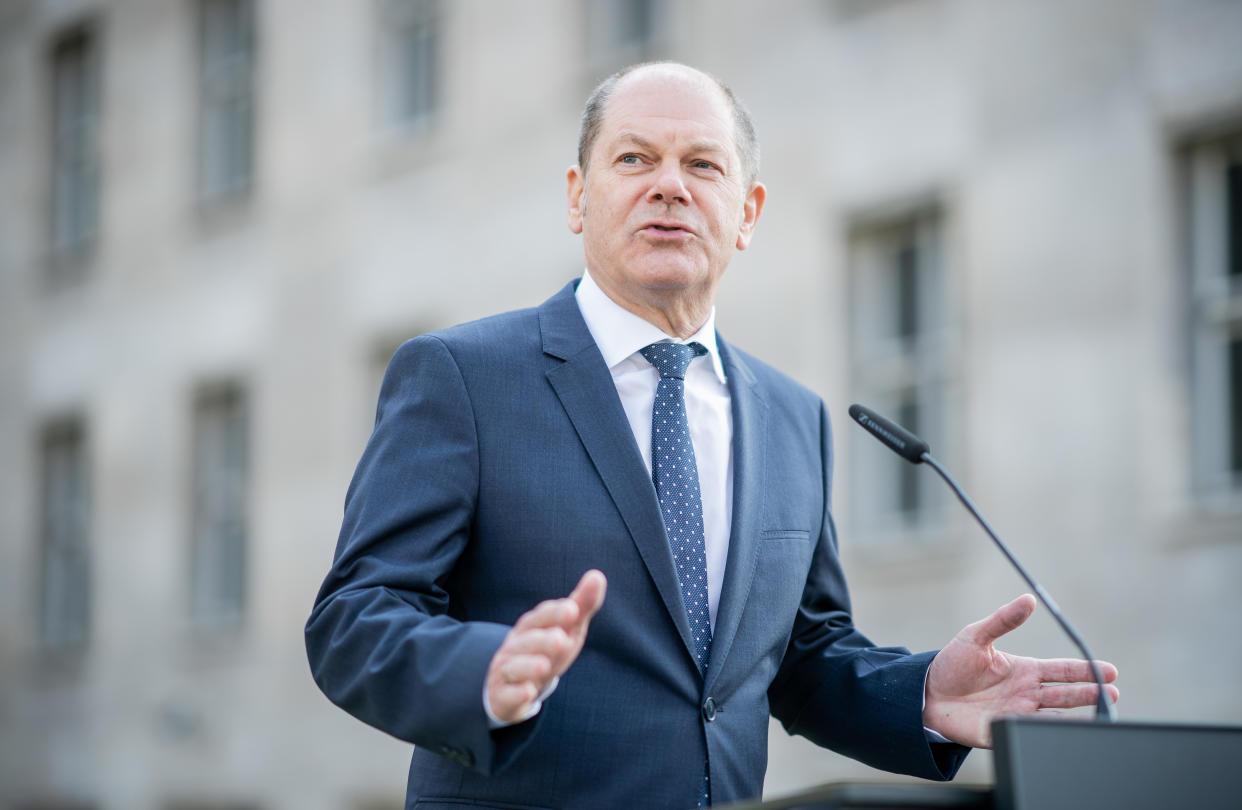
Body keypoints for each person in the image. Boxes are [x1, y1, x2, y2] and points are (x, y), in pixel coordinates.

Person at [305, 62, 1118, 809]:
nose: (669, 187)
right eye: (633, 161)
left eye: (702, 164)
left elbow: (800, 659)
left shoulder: (792, 416)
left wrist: (922, 699)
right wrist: (482, 671)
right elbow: (355, 616)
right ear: (577, 197)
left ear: (747, 213)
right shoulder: (462, 376)